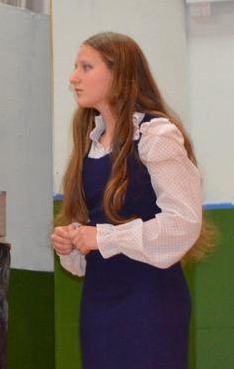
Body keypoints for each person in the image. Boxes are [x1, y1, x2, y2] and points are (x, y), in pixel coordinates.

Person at [51, 32, 212, 369]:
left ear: (118, 75)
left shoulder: (157, 135)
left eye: (86, 67)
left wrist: (103, 237)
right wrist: (75, 241)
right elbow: (98, 225)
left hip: (149, 300)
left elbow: (183, 223)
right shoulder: (90, 142)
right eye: (75, 67)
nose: (74, 77)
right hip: (98, 302)